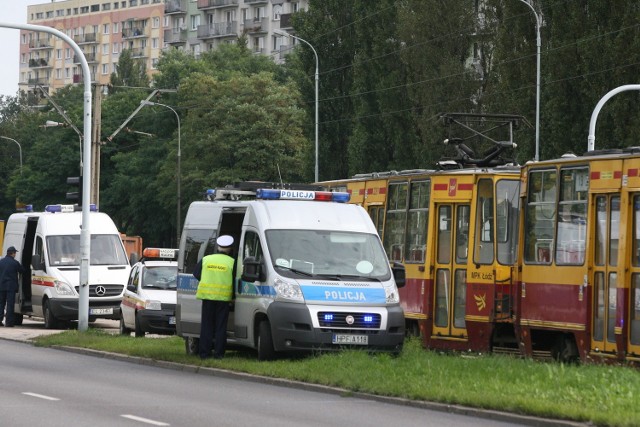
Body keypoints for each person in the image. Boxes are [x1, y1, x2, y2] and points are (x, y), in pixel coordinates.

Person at [193, 235, 235, 359]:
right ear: (230, 249)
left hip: (207, 298)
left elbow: (196, 273)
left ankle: (204, 354)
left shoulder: (206, 259)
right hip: (223, 299)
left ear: (218, 247)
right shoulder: (232, 262)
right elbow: (235, 280)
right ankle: (219, 354)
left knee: (206, 326)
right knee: (220, 327)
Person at [0, 246, 25, 327]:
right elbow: (22, 270)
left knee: (1, 304)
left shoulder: (1, 262)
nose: (15, 255)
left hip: (1, 286)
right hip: (11, 287)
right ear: (13, 253)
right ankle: (9, 322)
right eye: (15, 253)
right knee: (10, 305)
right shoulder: (15, 263)